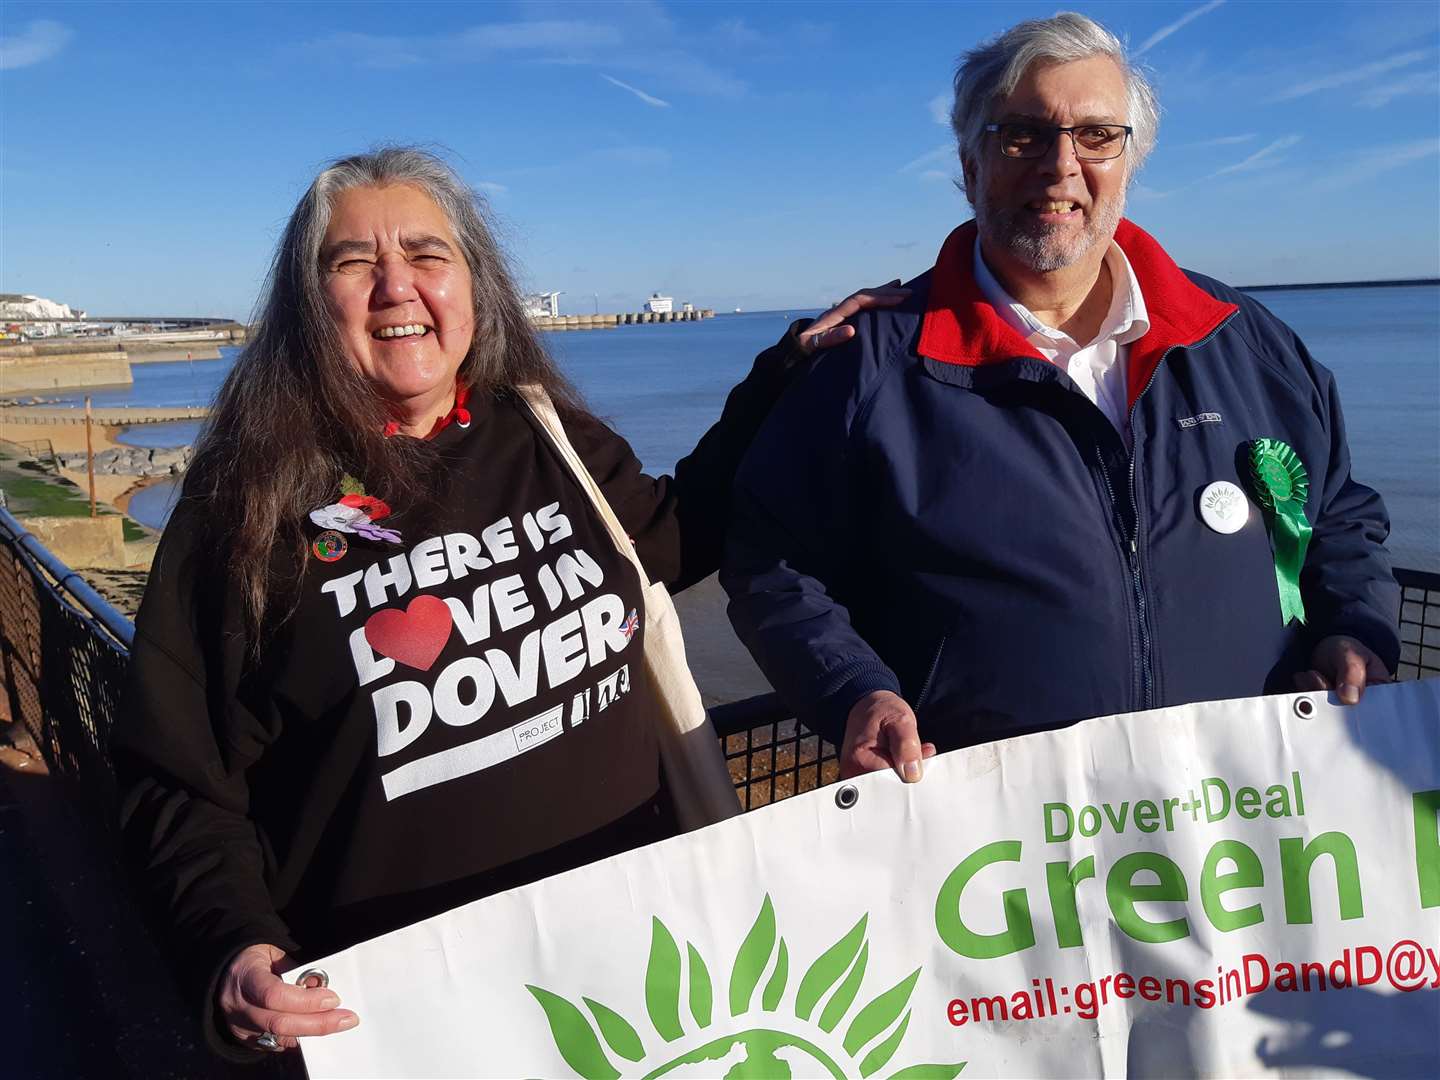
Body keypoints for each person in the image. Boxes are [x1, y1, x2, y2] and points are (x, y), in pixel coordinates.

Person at [110, 147, 896, 1061]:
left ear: (474, 287)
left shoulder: (542, 434)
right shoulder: (242, 509)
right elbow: (178, 778)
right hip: (408, 1018)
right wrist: (232, 947)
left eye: (427, 255)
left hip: (640, 983)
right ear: (307, 304)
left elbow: (672, 536)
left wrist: (791, 368)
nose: (396, 287)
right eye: (353, 262)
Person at [722, 12, 1400, 785]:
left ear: (1130, 159)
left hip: (1247, 814)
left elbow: (1340, 511)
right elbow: (771, 562)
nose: (1060, 165)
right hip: (1007, 844)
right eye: (1021, 134)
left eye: (1096, 136)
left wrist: (1353, 628)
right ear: (970, 162)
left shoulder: (1245, 342)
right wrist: (854, 690)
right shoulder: (870, 368)